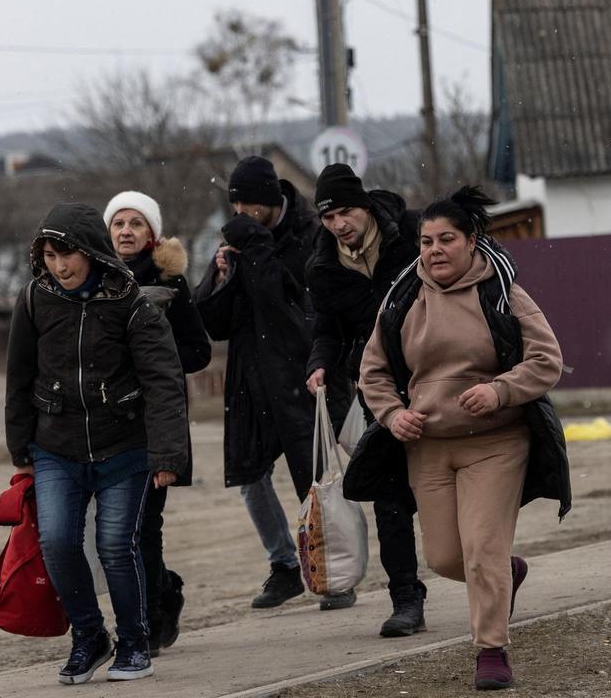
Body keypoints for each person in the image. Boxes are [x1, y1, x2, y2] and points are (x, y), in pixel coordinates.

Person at [357, 186, 570, 691]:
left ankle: (491, 650)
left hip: (496, 442)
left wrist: (500, 391)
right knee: (446, 559)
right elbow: (373, 372)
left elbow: (547, 360)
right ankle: (505, 572)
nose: (434, 250)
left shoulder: (502, 292)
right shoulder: (402, 297)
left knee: (479, 550)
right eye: (426, 240)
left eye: (446, 239)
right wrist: (392, 415)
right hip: (427, 446)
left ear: (471, 240)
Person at [5, 202, 190, 685]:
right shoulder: (34, 300)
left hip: (123, 446)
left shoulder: (131, 302)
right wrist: (20, 449)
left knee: (115, 545)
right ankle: (90, 637)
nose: (59, 266)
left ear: (90, 252)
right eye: (49, 255)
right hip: (55, 447)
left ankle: (134, 642)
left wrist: (168, 455)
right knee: (59, 543)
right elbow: (19, 377)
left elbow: (163, 379)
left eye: (67, 254)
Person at [194, 155, 327, 610]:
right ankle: (284, 566)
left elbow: (290, 312)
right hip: (249, 375)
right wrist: (220, 276)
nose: (244, 214)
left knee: (313, 478)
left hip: (299, 373)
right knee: (250, 474)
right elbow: (213, 322)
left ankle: (333, 571)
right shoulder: (238, 242)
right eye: (237, 207)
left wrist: (257, 250)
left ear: (271, 201)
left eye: (251, 205)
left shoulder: (308, 233)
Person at [303, 163, 429, 630]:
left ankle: (490, 573)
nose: (340, 224)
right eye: (329, 217)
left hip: (436, 379)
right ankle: (406, 600)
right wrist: (319, 362)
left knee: (451, 493)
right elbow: (328, 329)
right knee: (390, 498)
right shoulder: (323, 267)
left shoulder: (413, 235)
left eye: (346, 212)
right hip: (378, 389)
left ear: (366, 206)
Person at [103, 190, 211, 657]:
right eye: (119, 224)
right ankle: (163, 590)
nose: (126, 231)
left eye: (136, 224)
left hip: (156, 420)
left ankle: (147, 619)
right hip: (106, 423)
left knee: (144, 526)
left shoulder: (171, 282)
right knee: (114, 529)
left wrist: (153, 359)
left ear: (152, 234)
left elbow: (198, 351)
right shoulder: (96, 280)